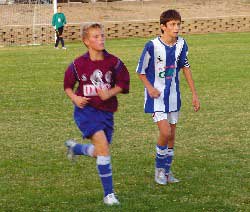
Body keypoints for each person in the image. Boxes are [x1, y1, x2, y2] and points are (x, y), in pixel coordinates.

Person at [63, 22, 130, 205]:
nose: (101, 39)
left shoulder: (113, 62)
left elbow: (124, 83)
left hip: (106, 113)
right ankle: (109, 195)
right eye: (96, 36)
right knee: (103, 147)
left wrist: (110, 92)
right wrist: (75, 98)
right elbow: (68, 86)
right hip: (86, 112)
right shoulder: (78, 64)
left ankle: (76, 148)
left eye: (102, 35)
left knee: (101, 151)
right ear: (86, 41)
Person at [136, 9, 200, 185]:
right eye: (172, 24)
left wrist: (194, 94)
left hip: (173, 96)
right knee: (165, 132)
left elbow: (185, 67)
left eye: (178, 24)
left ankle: (168, 171)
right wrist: (150, 88)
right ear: (163, 27)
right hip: (155, 97)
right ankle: (159, 169)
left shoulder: (181, 44)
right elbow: (140, 72)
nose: (177, 28)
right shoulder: (151, 46)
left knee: (172, 135)